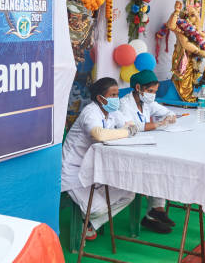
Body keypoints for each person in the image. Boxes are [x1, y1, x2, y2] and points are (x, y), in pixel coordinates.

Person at [61, 77, 138, 240]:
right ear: (100, 98)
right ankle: (88, 218)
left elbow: (131, 125)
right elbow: (99, 134)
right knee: (98, 209)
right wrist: (125, 132)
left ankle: (89, 224)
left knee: (129, 193)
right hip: (73, 170)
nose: (116, 98)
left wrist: (127, 129)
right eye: (112, 95)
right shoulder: (90, 112)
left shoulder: (112, 111)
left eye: (117, 94)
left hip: (95, 168)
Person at [119, 69, 177, 233]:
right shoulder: (125, 104)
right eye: (150, 91)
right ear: (138, 87)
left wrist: (170, 117)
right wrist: (158, 124)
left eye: (155, 92)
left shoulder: (147, 103)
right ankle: (153, 212)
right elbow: (131, 127)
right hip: (129, 150)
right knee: (157, 168)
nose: (152, 95)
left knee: (162, 164)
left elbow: (166, 112)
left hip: (144, 146)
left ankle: (155, 212)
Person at [166, 0, 205, 102]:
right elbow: (172, 27)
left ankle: (192, 95)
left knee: (195, 77)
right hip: (184, 58)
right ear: (185, 17)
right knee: (184, 78)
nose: (196, 18)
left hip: (195, 59)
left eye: (196, 15)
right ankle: (186, 97)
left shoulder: (198, 30)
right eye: (192, 16)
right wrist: (176, 12)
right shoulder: (182, 28)